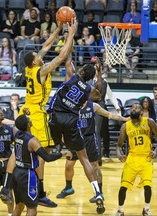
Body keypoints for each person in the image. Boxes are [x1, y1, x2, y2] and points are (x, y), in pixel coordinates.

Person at [16, 18, 77, 208]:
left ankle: (22, 185)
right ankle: (40, 193)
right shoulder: (41, 70)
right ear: (35, 61)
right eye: (37, 55)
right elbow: (61, 56)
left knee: (37, 152)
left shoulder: (29, 68)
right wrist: (72, 33)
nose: (40, 55)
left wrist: (58, 28)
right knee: (42, 154)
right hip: (35, 114)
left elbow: (46, 45)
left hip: (27, 108)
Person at [48, 48, 105, 213]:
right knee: (84, 158)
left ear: (80, 71)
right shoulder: (89, 90)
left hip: (56, 118)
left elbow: (67, 58)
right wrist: (99, 73)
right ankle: (97, 192)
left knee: (44, 147)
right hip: (72, 123)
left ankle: (39, 186)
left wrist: (69, 35)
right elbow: (100, 95)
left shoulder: (71, 76)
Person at [56, 100, 129, 202]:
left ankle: (99, 193)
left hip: (88, 139)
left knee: (94, 166)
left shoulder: (93, 106)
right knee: (68, 165)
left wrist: (125, 118)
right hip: (75, 138)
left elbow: (109, 114)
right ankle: (69, 188)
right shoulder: (70, 107)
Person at [5, 114, 69, 216]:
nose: (30, 119)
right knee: (32, 209)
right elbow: (47, 158)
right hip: (27, 175)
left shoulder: (17, 135)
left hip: (16, 172)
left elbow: (15, 126)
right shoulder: (32, 141)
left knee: (19, 205)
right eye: (28, 119)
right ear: (28, 124)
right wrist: (63, 153)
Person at [116, 103, 157, 216]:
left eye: (136, 108)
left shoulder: (149, 121)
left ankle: (146, 209)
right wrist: (119, 154)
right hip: (132, 158)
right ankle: (120, 210)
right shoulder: (125, 126)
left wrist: (155, 150)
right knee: (123, 187)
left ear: (141, 112)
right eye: (132, 108)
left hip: (146, 158)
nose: (133, 109)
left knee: (147, 185)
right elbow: (118, 145)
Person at [90, 56, 121, 161]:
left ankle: (102, 155)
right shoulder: (88, 81)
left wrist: (117, 107)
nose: (96, 68)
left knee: (101, 132)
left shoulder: (103, 82)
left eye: (97, 66)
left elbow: (111, 95)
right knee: (92, 131)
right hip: (90, 107)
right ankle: (90, 153)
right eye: (94, 66)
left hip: (101, 106)